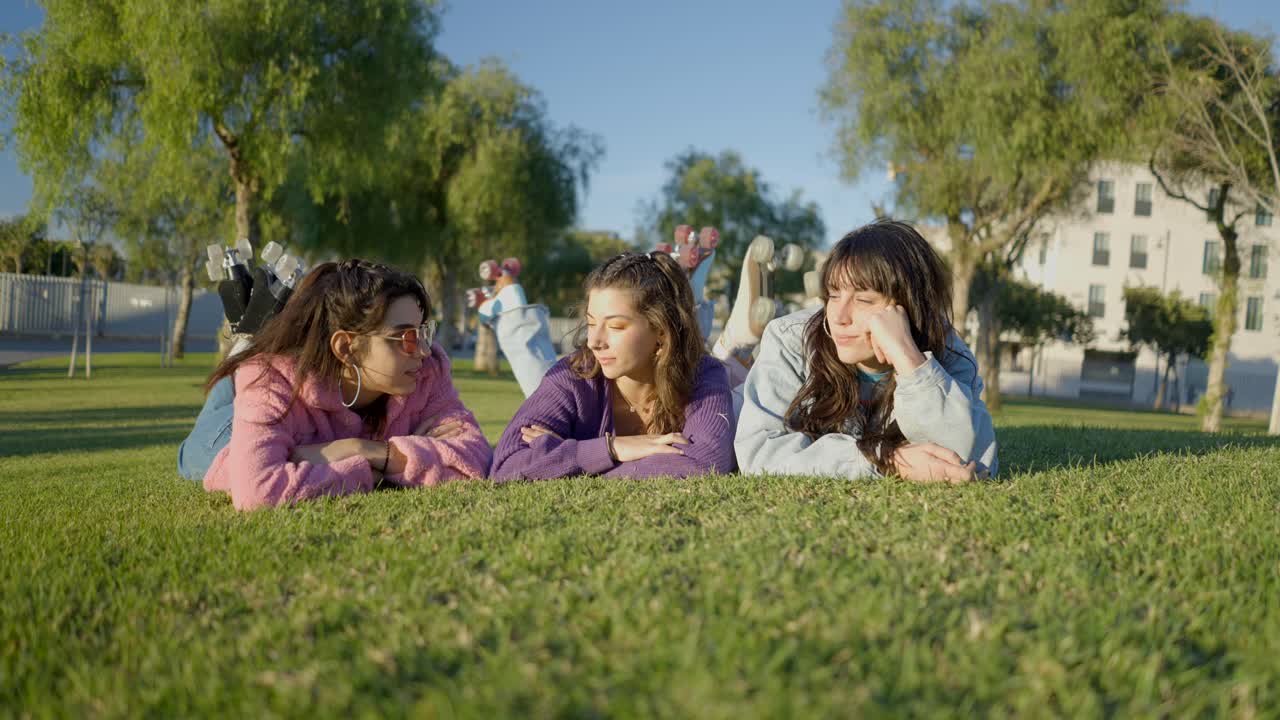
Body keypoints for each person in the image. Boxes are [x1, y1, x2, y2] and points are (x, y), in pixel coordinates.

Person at [196, 259, 492, 510]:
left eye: (423, 332)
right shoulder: (274, 383)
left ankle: (249, 343)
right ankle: (246, 342)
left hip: (272, 412)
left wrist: (372, 452)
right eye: (406, 338)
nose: (424, 351)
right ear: (347, 348)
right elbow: (257, 492)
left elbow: (476, 459)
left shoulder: (428, 371)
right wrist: (365, 462)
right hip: (226, 432)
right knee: (198, 453)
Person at [735, 220, 997, 483]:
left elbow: (968, 460)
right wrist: (887, 460)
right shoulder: (790, 339)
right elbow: (759, 453)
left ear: (909, 306)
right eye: (834, 295)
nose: (838, 316)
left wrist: (910, 361)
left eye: (863, 300)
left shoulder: (947, 350)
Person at [489, 251, 736, 481]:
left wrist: (565, 458)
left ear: (661, 331)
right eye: (591, 323)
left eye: (616, 326)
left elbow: (704, 464)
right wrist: (612, 448)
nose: (594, 342)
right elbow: (506, 467)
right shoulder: (570, 376)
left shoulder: (702, 375)